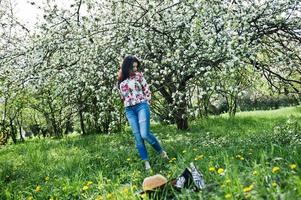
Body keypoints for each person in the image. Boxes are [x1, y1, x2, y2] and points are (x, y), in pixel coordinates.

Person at [117, 55, 169, 170]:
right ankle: (146, 163)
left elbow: (147, 91)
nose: (135, 69)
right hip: (129, 110)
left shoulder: (139, 76)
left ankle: (162, 153)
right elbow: (122, 97)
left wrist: (146, 105)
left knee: (144, 134)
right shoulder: (120, 80)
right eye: (133, 67)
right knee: (138, 137)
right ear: (126, 67)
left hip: (141, 106)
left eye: (136, 66)